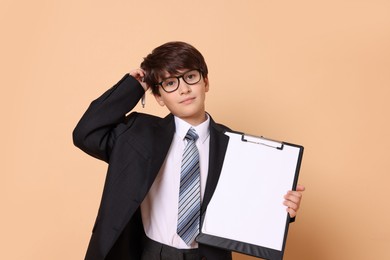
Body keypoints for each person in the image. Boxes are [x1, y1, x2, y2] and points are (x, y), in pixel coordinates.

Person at [73, 41, 305, 260]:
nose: (183, 89)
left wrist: (282, 211)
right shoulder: (137, 135)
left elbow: (250, 206)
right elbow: (86, 133)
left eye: (191, 77)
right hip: (151, 253)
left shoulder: (237, 147)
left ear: (205, 82)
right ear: (158, 96)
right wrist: (134, 86)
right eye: (170, 83)